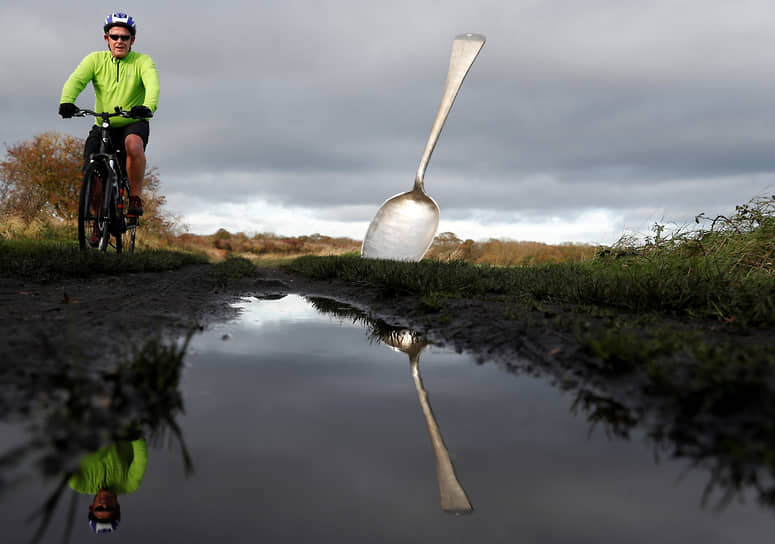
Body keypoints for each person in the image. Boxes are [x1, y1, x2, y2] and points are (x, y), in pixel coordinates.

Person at [58, 12, 159, 245]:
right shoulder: (94, 60)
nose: (120, 41)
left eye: (125, 36)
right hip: (102, 123)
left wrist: (147, 106)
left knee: (133, 144)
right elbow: (76, 80)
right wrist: (67, 101)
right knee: (92, 172)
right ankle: (98, 223)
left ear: (132, 40)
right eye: (115, 36)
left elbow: (152, 85)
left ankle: (134, 198)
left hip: (133, 121)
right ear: (107, 38)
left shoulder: (143, 61)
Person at [68, 437, 149, 534]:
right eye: (110, 508)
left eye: (100, 508)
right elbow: (141, 458)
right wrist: (135, 434)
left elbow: (63, 453)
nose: (105, 504)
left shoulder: (78, 483)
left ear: (91, 506)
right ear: (117, 506)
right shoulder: (129, 484)